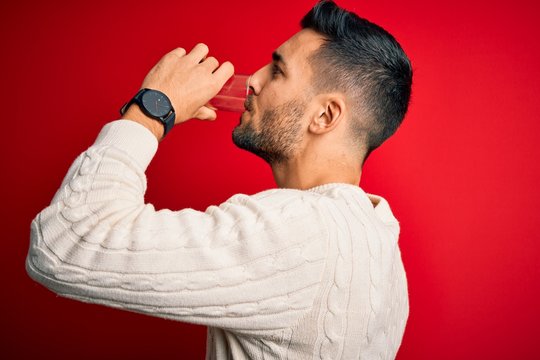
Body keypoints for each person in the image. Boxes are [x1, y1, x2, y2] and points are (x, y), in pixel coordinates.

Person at [26, 1, 413, 359]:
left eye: (277, 70)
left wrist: (152, 106)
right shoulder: (382, 246)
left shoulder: (300, 232)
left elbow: (66, 242)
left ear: (325, 116)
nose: (254, 81)